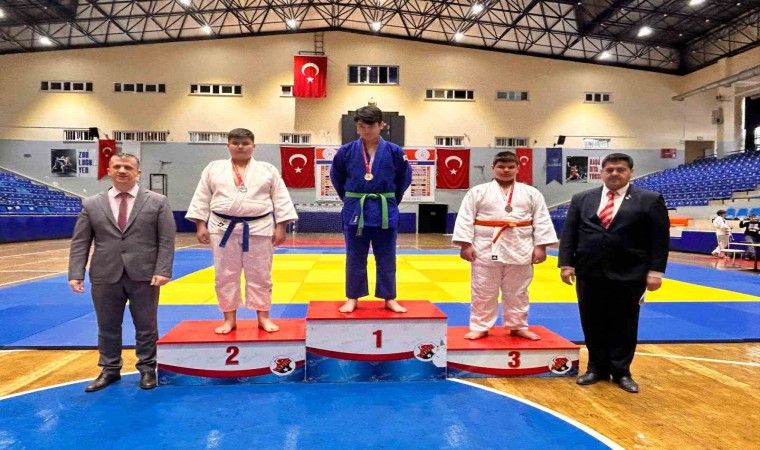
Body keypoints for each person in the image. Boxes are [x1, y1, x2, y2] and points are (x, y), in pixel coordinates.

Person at [558, 153, 669, 394]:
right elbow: (570, 234)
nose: (614, 174)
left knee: (625, 322)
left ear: (630, 172)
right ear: (601, 172)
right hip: (589, 270)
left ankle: (621, 371)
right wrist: (566, 264)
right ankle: (596, 368)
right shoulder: (581, 198)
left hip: (631, 271)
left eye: (620, 169)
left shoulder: (650, 199)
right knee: (592, 320)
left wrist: (656, 271)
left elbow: (660, 239)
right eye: (609, 170)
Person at [68, 153, 175, 392]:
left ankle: (147, 368)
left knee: (146, 326)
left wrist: (163, 269)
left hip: (145, 274)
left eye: (128, 167)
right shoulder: (91, 204)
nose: (122, 170)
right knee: (107, 325)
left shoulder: (157, 202)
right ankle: (109, 369)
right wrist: (76, 272)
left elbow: (166, 240)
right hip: (105, 274)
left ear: (138, 172)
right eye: (117, 166)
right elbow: (80, 241)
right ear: (109, 171)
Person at [186, 128, 297, 334]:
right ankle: (229, 319)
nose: (240, 147)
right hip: (221, 227)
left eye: (245, 143)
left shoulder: (267, 170)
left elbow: (281, 198)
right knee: (224, 275)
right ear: (228, 145)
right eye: (235, 143)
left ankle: (263, 317)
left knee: (261, 274)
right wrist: (200, 224)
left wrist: (281, 226)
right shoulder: (213, 168)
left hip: (259, 227)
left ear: (253, 146)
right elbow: (202, 196)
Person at [452, 151, 557, 340]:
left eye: (510, 167)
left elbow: (541, 219)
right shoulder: (478, 192)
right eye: (501, 166)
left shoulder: (531, 193)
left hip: (520, 247)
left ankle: (518, 325)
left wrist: (541, 246)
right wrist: (465, 244)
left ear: (518, 168)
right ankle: (480, 326)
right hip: (485, 247)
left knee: (518, 291)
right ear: (493, 168)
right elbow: (465, 218)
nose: (506, 170)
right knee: (483, 290)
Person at [330, 106, 412, 313]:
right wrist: (350, 199)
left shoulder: (395, 151)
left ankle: (389, 297)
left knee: (387, 256)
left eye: (371, 126)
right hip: (356, 209)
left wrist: (391, 199)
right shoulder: (346, 151)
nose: (366, 130)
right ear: (356, 127)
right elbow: (337, 178)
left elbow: (404, 179)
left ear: (381, 125)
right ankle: (353, 297)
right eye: (361, 126)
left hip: (385, 209)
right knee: (354, 256)